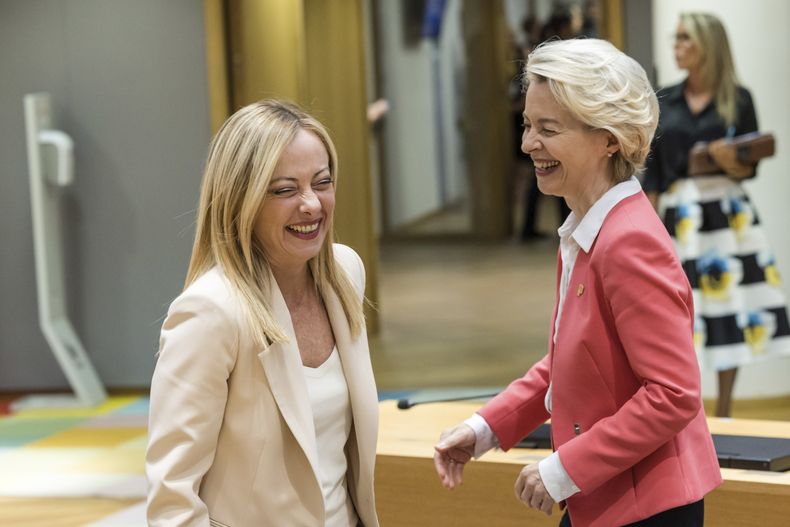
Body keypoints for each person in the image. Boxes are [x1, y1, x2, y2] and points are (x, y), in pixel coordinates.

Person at [434, 39, 722, 527]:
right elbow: (574, 360)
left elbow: (673, 394)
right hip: (610, 497)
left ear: (610, 138)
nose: (527, 144)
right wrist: (484, 428)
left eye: (548, 129)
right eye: (527, 125)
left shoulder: (628, 241)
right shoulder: (588, 226)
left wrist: (565, 468)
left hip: (646, 508)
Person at [146, 100, 380, 527]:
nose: (311, 204)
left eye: (322, 182)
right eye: (284, 190)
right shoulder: (210, 312)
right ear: (240, 200)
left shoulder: (345, 273)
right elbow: (171, 501)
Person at [643, 12, 790, 418]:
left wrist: (730, 159)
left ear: (708, 45)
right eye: (675, 38)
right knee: (676, 310)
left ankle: (723, 410)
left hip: (727, 213)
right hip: (680, 214)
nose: (677, 47)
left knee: (731, 306)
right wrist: (647, 225)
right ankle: (683, 409)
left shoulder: (738, 99)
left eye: (685, 39)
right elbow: (652, 170)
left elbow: (750, 167)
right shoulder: (665, 99)